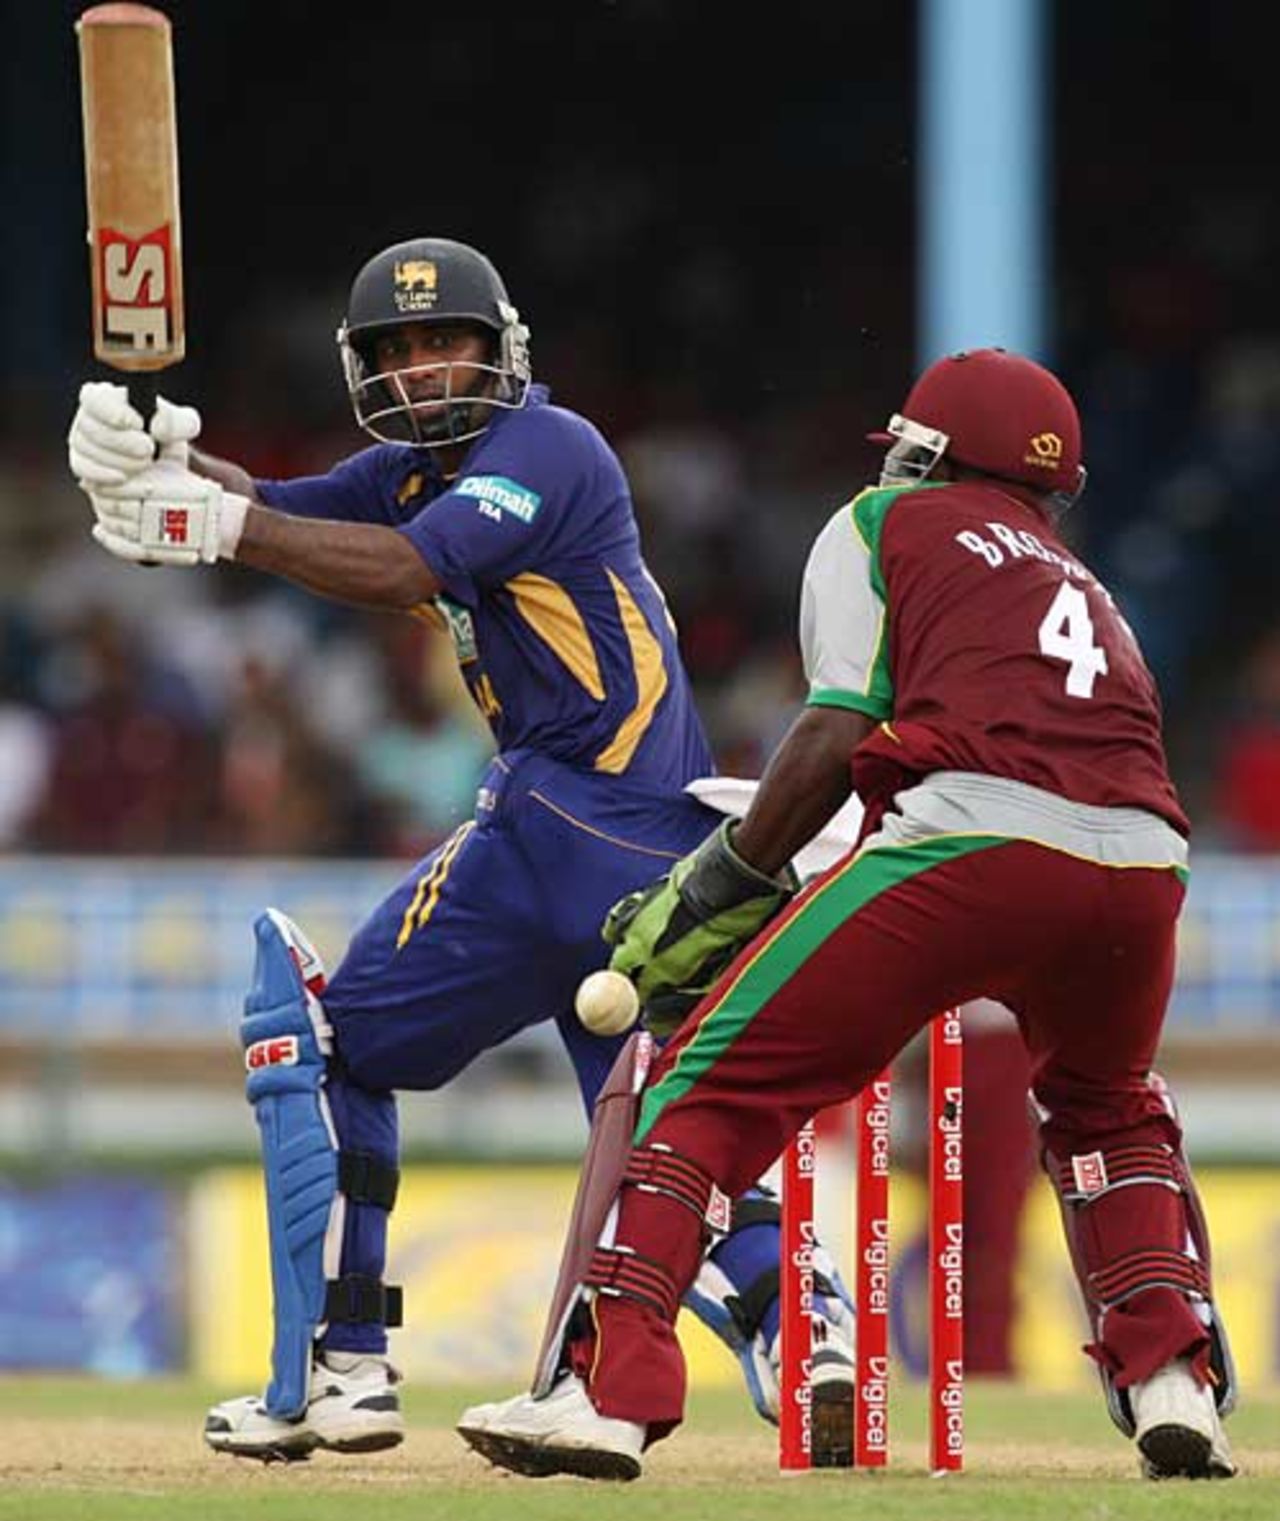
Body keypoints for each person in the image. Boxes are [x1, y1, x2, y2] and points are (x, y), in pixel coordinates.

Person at [65, 237, 853, 1460]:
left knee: (327, 1045)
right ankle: (802, 1336)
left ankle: (342, 1371)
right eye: (400, 352)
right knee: (666, 1123)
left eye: (448, 346)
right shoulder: (406, 473)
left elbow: (393, 568)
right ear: (364, 369)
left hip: (583, 818)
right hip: (633, 844)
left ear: (501, 352)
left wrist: (207, 521)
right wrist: (153, 459)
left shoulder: (548, 446)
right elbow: (271, 509)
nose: (427, 370)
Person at [455, 347, 1239, 1482]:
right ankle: (1173, 1384)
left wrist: (725, 876)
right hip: (1145, 869)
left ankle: (604, 1395)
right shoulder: (1083, 581)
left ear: (921, 451)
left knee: (707, 1083)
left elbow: (835, 727)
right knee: (1106, 1114)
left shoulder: (883, 519)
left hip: (971, 845)